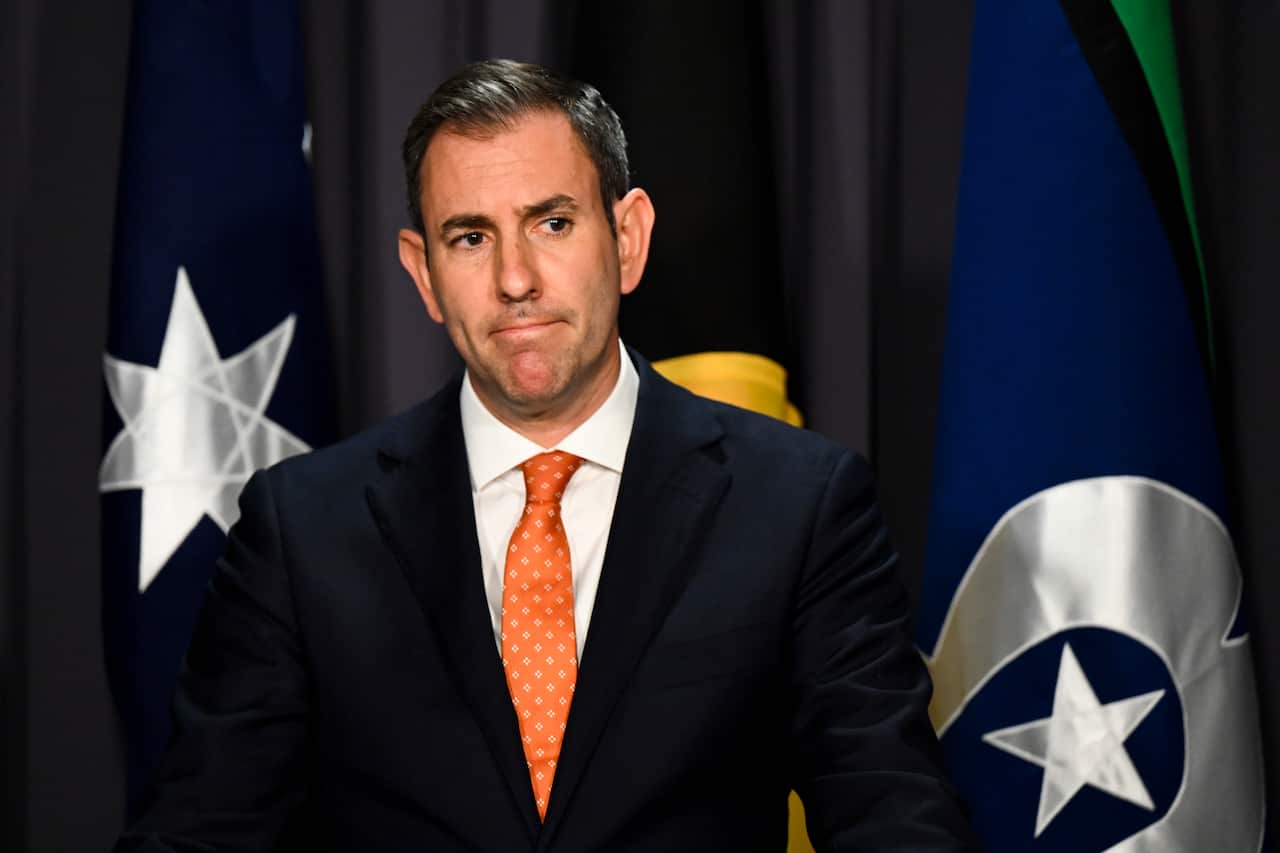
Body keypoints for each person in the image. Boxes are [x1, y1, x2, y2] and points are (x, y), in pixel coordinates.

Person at [116, 59, 976, 852]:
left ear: (627, 238)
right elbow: (197, 835)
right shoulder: (301, 530)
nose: (516, 279)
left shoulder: (799, 505)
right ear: (422, 273)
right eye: (469, 237)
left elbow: (895, 818)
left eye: (552, 222)